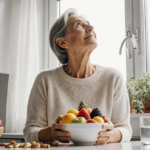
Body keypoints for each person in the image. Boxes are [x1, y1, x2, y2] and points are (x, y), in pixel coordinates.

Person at [23, 8, 132, 144]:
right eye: (79, 25)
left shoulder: (113, 78)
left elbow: (125, 129)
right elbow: (30, 132)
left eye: (88, 23)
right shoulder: (45, 80)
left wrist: (112, 134)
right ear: (62, 42)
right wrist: (50, 133)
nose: (91, 27)